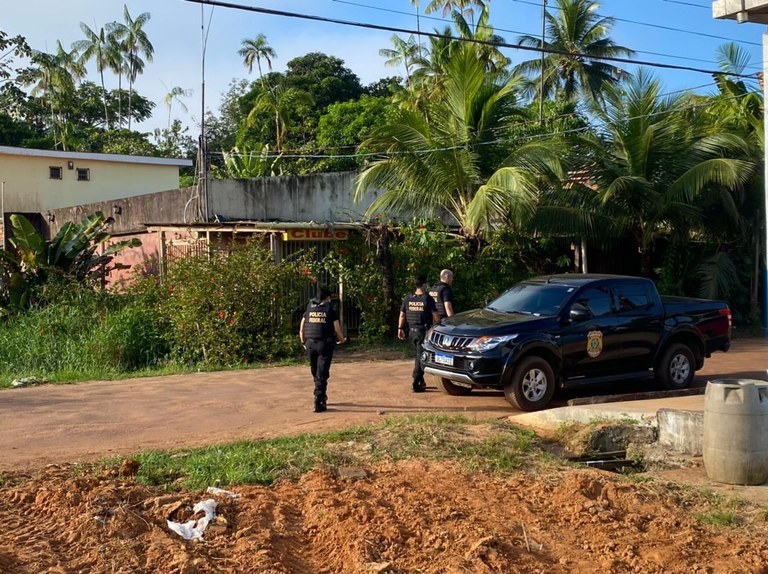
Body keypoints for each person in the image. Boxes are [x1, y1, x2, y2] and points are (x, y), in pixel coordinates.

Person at [299, 286, 346, 412]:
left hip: (310, 344)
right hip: (324, 345)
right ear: (327, 298)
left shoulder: (309, 307)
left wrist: (303, 341)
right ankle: (319, 401)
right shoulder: (329, 309)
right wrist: (342, 340)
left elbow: (302, 327)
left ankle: (321, 394)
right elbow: (337, 329)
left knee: (316, 372)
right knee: (322, 373)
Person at [398, 274, 441, 393]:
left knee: (417, 355)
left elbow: (402, 315)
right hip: (422, 332)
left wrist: (400, 328)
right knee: (420, 357)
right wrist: (439, 325)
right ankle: (415, 382)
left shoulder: (408, 298)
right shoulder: (427, 298)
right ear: (424, 285)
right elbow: (435, 315)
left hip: (411, 332)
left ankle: (421, 381)